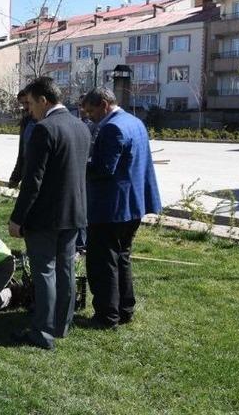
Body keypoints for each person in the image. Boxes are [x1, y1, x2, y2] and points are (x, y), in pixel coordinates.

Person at [8, 77, 91, 350]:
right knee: (65, 270)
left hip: (45, 216)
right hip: (74, 213)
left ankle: (43, 332)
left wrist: (18, 218)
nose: (29, 110)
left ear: (44, 100)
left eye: (30, 103)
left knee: (45, 271)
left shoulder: (44, 129)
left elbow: (34, 181)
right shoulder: (82, 127)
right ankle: (61, 325)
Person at [80, 87, 162, 329]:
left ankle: (107, 315)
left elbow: (104, 169)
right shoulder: (134, 122)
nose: (89, 116)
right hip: (132, 206)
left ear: (104, 104)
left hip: (112, 208)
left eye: (91, 110)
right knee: (122, 257)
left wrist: (77, 162)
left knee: (102, 262)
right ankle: (125, 309)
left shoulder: (112, 128)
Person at [8, 89, 35, 190]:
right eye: (22, 103)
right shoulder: (26, 121)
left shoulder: (47, 123)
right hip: (27, 175)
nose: (25, 107)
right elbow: (22, 152)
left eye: (27, 103)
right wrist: (16, 176)